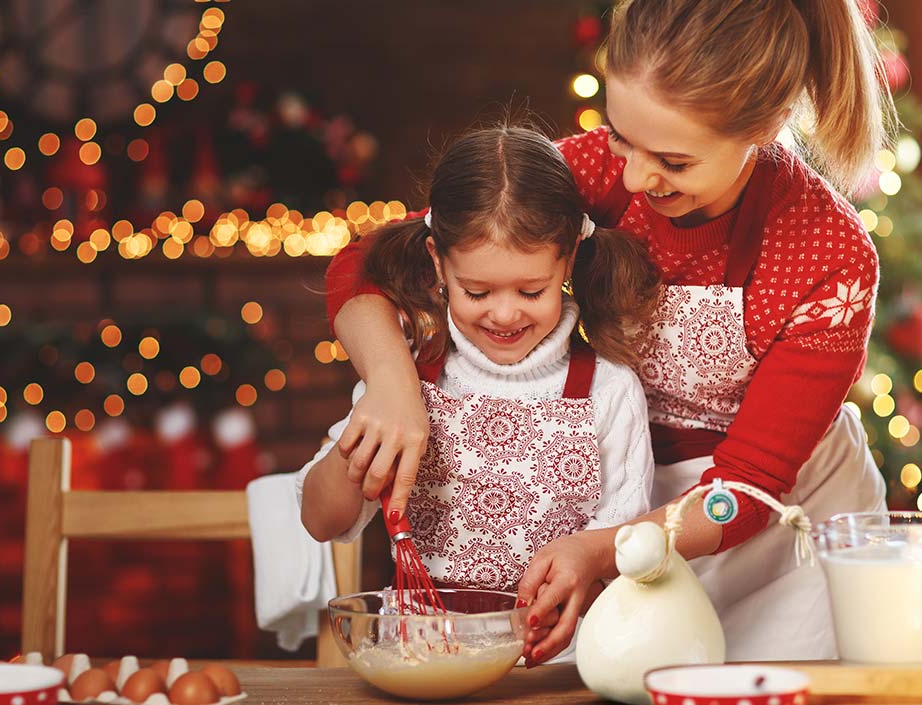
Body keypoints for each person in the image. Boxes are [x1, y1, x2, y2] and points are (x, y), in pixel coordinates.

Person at [322, 0, 893, 664]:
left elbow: (747, 490)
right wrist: (391, 385)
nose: (632, 177)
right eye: (622, 137)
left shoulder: (830, 256)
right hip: (630, 502)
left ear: (763, 128)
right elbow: (360, 266)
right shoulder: (590, 171)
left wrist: (602, 548)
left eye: (674, 162)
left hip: (780, 545)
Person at [297, 127, 660, 621]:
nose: (505, 315)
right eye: (478, 292)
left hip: (558, 665)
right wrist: (368, 427)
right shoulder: (405, 380)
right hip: (426, 661)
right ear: (437, 264)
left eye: (531, 292)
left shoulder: (608, 391)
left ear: (569, 258)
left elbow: (623, 552)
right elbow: (321, 520)